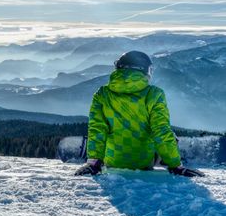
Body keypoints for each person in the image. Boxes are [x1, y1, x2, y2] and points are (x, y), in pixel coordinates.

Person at [75, 51, 204, 177]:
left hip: (112, 160)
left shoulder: (102, 94)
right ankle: (167, 162)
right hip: (143, 162)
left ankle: (97, 161)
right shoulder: (154, 94)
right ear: (144, 70)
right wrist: (176, 166)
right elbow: (161, 131)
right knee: (171, 137)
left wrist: (93, 163)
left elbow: (97, 129)